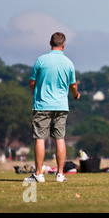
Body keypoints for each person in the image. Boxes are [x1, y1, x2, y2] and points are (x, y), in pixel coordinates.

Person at [25, 32, 80, 183]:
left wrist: (36, 90)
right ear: (64, 45)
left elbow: (32, 83)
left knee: (40, 139)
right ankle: (60, 174)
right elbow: (73, 85)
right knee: (60, 139)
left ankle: (38, 174)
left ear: (50, 43)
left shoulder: (41, 60)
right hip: (61, 106)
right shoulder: (68, 63)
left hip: (42, 105)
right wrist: (76, 95)